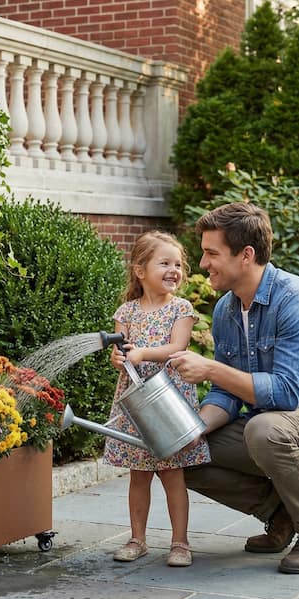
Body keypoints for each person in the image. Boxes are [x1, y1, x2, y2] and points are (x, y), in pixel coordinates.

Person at [169, 202, 299, 574]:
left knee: (265, 429)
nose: (202, 263)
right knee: (181, 454)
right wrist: (191, 431)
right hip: (275, 428)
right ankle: (282, 515)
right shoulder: (227, 310)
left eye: (212, 253)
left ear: (246, 255)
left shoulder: (297, 301)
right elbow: (227, 394)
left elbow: (285, 393)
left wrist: (210, 368)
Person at [103, 231, 211, 567]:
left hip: (169, 400)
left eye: (177, 264)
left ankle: (180, 543)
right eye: (164, 263)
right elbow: (119, 352)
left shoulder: (181, 308)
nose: (174, 270)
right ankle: (137, 539)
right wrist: (118, 358)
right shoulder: (127, 311)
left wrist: (142, 353)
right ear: (140, 270)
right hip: (136, 402)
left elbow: (177, 347)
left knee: (172, 473)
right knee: (139, 474)